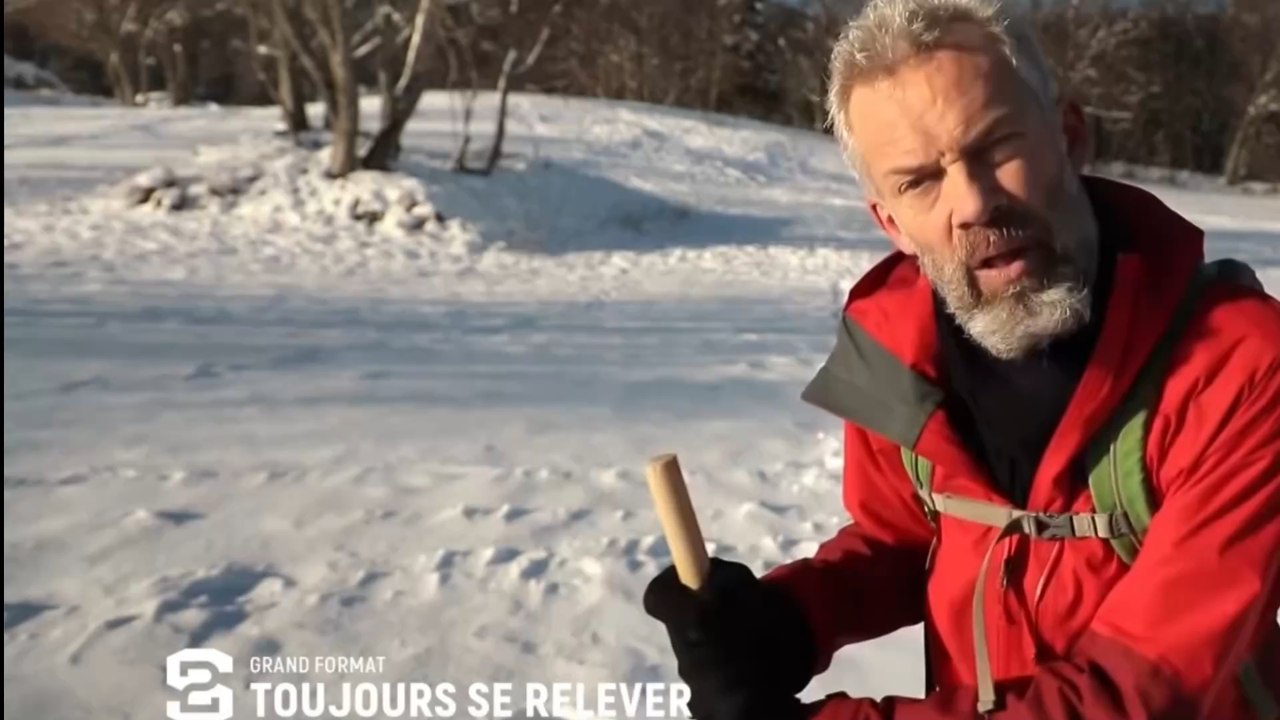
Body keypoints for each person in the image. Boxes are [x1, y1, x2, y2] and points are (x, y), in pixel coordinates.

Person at [641, 0, 1280, 717]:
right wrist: (785, 620)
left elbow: (1139, 691)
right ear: (892, 224)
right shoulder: (899, 353)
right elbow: (904, 539)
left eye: (998, 146)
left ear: (1070, 137)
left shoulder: (1241, 370)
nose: (973, 203)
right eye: (919, 181)